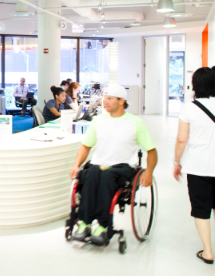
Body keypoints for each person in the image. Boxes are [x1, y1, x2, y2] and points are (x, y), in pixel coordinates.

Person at [68, 84, 158, 245]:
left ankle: (102, 226)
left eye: (110, 99)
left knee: (107, 176)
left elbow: (152, 151)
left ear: (121, 101)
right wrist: (76, 165)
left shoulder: (135, 123)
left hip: (122, 167)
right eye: (104, 98)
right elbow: (85, 146)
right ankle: (84, 223)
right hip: (98, 164)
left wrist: (149, 172)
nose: (105, 102)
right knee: (90, 175)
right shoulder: (98, 121)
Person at [173, 67, 215, 264]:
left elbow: (181, 140)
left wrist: (177, 162)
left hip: (198, 166)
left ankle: (208, 251)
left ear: (195, 85)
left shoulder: (190, 108)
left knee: (201, 207)